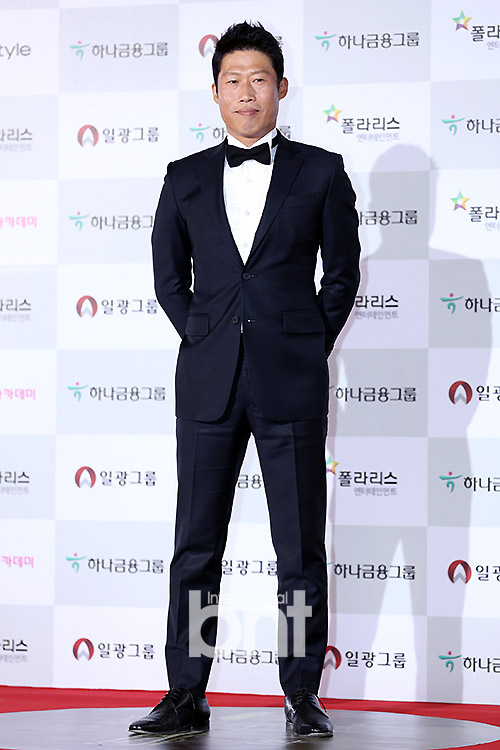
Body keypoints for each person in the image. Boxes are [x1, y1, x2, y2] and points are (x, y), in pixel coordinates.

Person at [129, 21, 360, 740]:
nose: (247, 92)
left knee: (299, 549)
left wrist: (306, 343)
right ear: (216, 93)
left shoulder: (321, 171)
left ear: (281, 88)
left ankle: (301, 692)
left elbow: (342, 275)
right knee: (197, 546)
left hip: (290, 382)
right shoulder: (185, 176)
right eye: (233, 80)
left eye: (259, 79)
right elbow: (169, 278)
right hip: (208, 385)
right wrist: (202, 336)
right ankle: (186, 691)